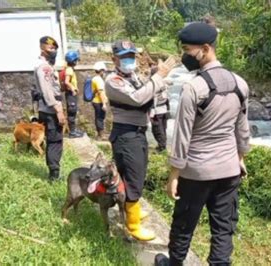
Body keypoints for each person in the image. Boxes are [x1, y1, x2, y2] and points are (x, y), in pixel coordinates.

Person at [155, 22, 251, 266]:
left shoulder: (194, 87)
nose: (185, 55)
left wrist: (174, 174)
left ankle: (174, 263)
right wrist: (241, 159)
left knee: (184, 223)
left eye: (188, 50)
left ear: (205, 49)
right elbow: (242, 128)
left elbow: (182, 135)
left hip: (196, 173)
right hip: (229, 170)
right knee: (223, 226)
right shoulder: (240, 84)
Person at [105, 40, 177, 241]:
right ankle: (132, 225)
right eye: (124, 56)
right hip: (126, 134)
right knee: (133, 177)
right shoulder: (113, 81)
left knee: (137, 174)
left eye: (131, 56)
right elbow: (138, 98)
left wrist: (158, 78)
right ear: (114, 59)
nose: (129, 60)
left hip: (137, 132)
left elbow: (149, 94)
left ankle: (131, 209)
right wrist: (159, 76)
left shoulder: (132, 76)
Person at [34, 36, 65, 181]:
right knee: (55, 141)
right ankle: (54, 174)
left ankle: (54, 169)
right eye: (50, 48)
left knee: (53, 139)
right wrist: (58, 110)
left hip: (47, 108)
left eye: (54, 49)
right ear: (42, 48)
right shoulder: (44, 67)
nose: (53, 51)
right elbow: (47, 91)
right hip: (50, 109)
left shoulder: (46, 65)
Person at [63, 50, 84, 138]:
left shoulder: (70, 69)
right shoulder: (69, 70)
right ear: (74, 61)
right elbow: (66, 82)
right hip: (70, 95)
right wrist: (72, 89)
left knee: (73, 112)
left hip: (72, 95)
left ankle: (73, 130)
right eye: (76, 60)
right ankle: (72, 132)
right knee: (71, 112)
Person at [149, 64, 170, 152]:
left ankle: (162, 147)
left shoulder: (153, 83)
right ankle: (162, 145)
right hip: (164, 109)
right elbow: (167, 97)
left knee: (157, 129)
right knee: (163, 128)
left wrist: (151, 113)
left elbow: (151, 98)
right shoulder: (164, 82)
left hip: (157, 110)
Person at [91, 61, 108, 140]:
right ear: (101, 70)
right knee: (100, 118)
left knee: (99, 117)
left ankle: (100, 134)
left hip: (96, 101)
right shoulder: (98, 80)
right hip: (99, 101)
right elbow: (101, 92)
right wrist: (104, 104)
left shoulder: (95, 78)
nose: (104, 72)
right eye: (103, 71)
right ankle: (101, 135)